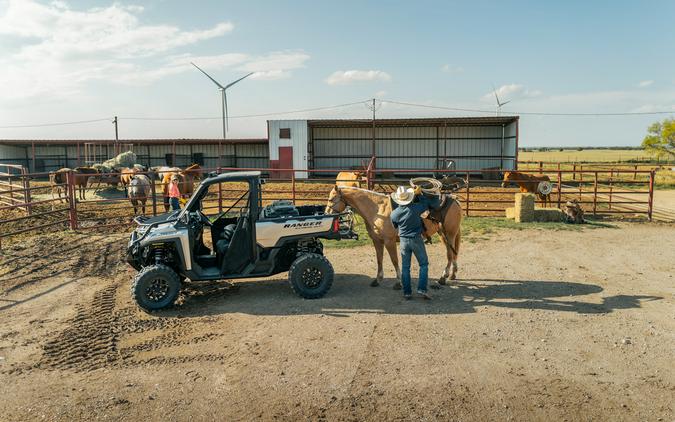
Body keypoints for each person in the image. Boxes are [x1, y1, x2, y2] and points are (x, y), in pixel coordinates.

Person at [390, 185, 440, 300]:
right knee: (423, 264)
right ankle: (422, 289)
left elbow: (395, 225)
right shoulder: (416, 208)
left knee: (405, 267)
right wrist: (419, 194)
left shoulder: (394, 213)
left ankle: (407, 292)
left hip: (403, 241)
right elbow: (426, 205)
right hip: (416, 239)